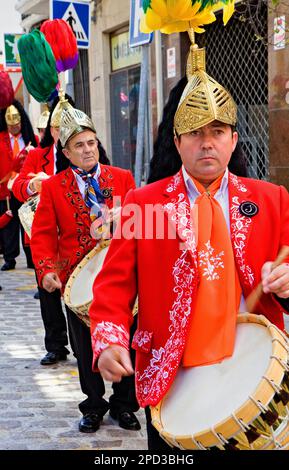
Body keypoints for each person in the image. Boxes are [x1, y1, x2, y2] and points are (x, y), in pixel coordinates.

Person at [88, 45, 289, 450]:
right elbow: (112, 288)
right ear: (178, 142)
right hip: (172, 378)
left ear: (234, 140)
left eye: (217, 132)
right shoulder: (143, 205)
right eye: (196, 134)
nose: (207, 143)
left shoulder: (272, 200)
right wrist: (108, 339)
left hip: (253, 373)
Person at [30, 106, 141, 433]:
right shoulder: (53, 187)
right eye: (79, 145)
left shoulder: (121, 178)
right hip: (77, 282)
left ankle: (124, 404)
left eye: (91, 142)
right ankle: (93, 405)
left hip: (120, 278)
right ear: (66, 152)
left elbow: (135, 227)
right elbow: (44, 235)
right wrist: (48, 269)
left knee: (127, 340)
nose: (88, 149)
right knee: (84, 347)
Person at [0, 100, 38, 271]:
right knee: (9, 224)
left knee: (28, 222)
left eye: (17, 124)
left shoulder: (32, 139)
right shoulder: (1, 139)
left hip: (26, 188)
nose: (14, 127)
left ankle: (31, 257)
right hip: (6, 188)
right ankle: (10, 257)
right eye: (11, 125)